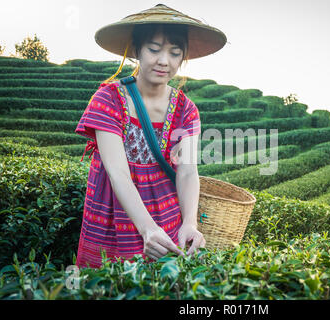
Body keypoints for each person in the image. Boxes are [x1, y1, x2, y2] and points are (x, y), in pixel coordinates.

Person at [74, 4, 227, 269]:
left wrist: (189, 223)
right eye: (154, 50)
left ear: (182, 58)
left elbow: (188, 171)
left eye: (175, 53)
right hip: (114, 215)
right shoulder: (108, 99)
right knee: (106, 284)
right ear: (136, 51)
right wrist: (146, 229)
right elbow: (117, 172)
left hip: (167, 217)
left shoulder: (186, 110)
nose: (164, 61)